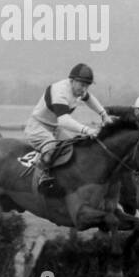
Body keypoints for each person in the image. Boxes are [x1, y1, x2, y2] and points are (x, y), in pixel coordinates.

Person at [23, 62, 111, 194]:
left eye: (87, 86)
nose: (84, 89)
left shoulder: (78, 89)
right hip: (37, 126)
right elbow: (63, 120)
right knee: (51, 147)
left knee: (73, 149)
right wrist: (87, 130)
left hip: (54, 128)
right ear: (72, 81)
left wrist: (103, 114)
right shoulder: (60, 91)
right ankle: (42, 177)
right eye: (82, 85)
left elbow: (89, 98)